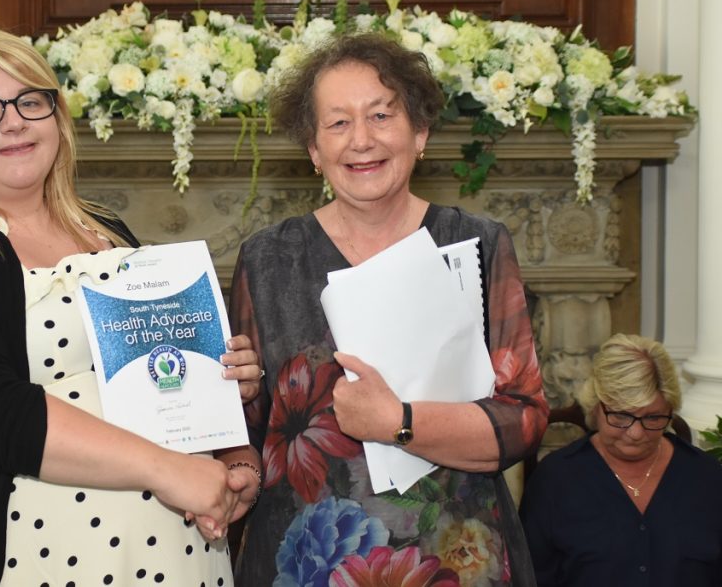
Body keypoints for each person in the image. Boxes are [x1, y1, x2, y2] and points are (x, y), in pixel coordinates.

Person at [0, 26, 263, 586]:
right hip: (26, 565)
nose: (13, 122)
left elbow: (166, 380)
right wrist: (169, 471)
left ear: (57, 118)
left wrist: (233, 444)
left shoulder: (111, 234)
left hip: (179, 558)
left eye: (31, 101)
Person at [227, 32, 548, 586]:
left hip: (452, 561)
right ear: (313, 149)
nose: (362, 140)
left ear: (419, 132)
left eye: (381, 115)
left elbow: (523, 421)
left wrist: (399, 423)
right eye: (338, 123)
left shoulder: (477, 244)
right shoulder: (267, 258)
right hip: (305, 565)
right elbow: (249, 433)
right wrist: (235, 400)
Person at [520, 334, 722, 585]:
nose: (636, 434)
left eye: (653, 418)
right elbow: (530, 577)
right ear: (595, 406)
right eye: (621, 416)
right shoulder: (555, 482)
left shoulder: (708, 479)